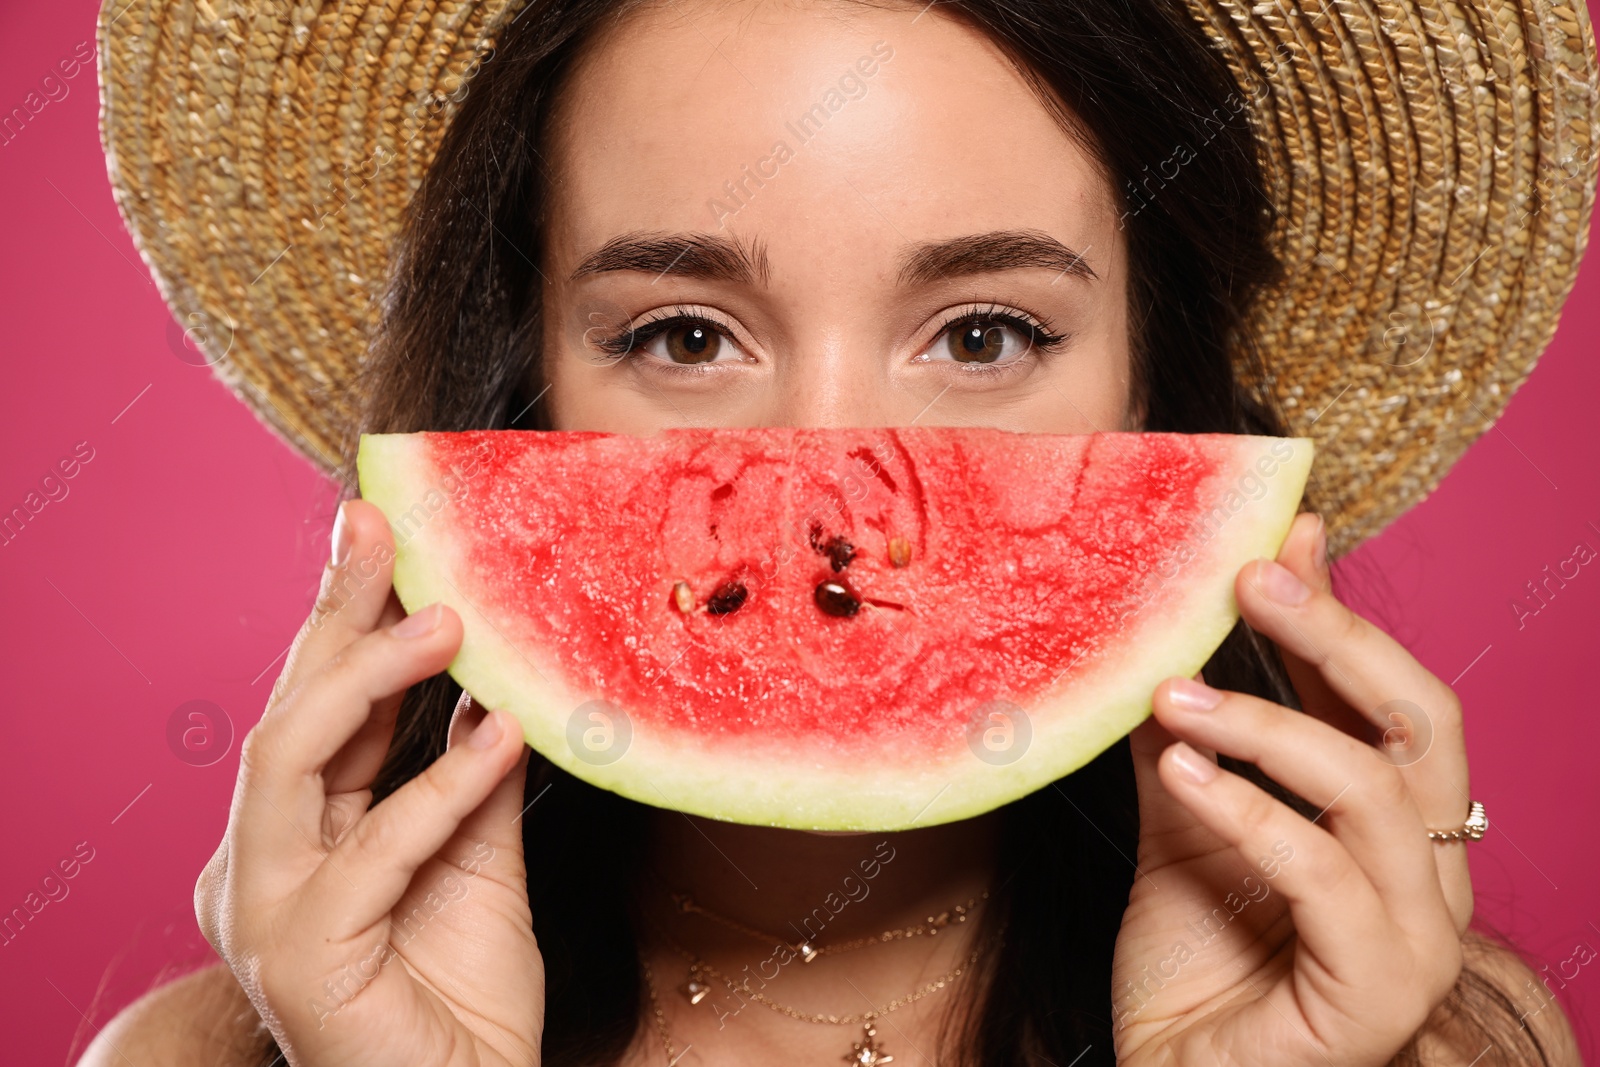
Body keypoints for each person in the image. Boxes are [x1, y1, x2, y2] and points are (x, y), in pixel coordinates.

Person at [84, 0, 1595, 1062]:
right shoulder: (194, 1061)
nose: (825, 465)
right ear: (525, 391)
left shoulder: (1426, 1052)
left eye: (987, 333)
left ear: (1157, 395)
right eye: (683, 336)